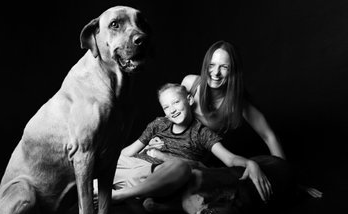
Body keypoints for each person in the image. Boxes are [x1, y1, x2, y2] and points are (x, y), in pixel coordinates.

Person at [178, 40, 321, 197]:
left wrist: (288, 179)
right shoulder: (190, 83)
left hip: (198, 160)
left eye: (224, 67)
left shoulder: (236, 103)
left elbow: (269, 135)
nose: (215, 72)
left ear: (233, 71)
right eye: (212, 65)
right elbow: (170, 118)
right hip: (172, 146)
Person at [112, 83, 272, 203]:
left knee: (181, 168)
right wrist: (111, 159)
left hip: (158, 176)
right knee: (109, 158)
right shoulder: (158, 124)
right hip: (133, 167)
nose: (172, 110)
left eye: (176, 102)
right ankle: (106, 189)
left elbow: (229, 159)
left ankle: (119, 194)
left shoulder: (202, 133)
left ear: (189, 100)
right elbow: (128, 153)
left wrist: (250, 164)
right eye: (166, 107)